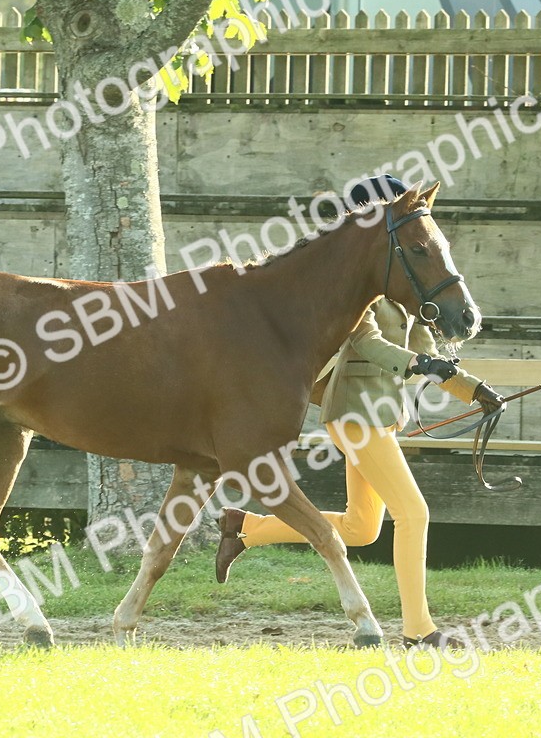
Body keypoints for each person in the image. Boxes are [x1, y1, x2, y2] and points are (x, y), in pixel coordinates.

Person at [214, 175, 504, 649]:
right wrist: (416, 363)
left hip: (381, 415)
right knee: (414, 514)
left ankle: (246, 528)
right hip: (354, 410)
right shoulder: (355, 288)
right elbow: (368, 344)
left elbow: (426, 352)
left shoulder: (404, 285)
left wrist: (474, 391)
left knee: (362, 528)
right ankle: (418, 630)